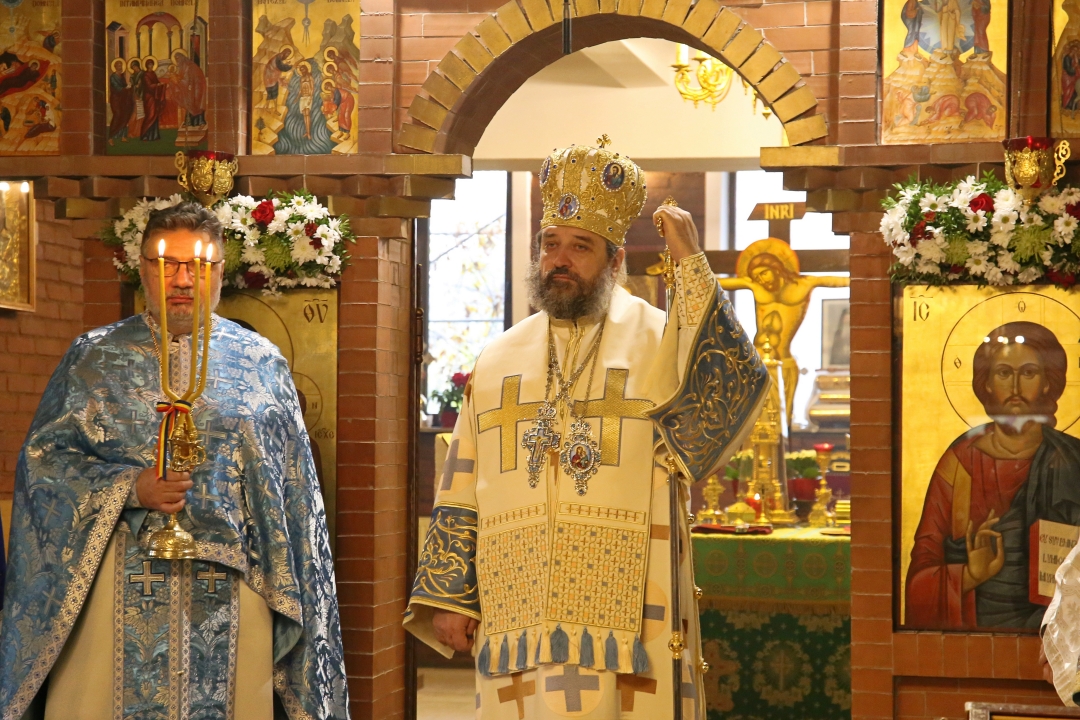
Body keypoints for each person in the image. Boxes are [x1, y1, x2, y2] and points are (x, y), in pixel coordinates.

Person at [404, 139, 768, 719]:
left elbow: (733, 390)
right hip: (516, 604)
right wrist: (451, 594)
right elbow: (462, 481)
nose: (560, 260)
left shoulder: (660, 340)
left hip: (635, 609)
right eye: (551, 244)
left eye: (580, 246)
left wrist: (692, 265)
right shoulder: (498, 358)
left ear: (615, 261)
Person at [0, 202, 349, 719]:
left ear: (221, 271)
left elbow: (295, 490)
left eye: (199, 264)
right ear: (142, 268)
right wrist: (130, 487)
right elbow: (44, 463)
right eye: (167, 263)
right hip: (116, 578)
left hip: (233, 588)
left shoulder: (261, 363)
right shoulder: (93, 357)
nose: (183, 279)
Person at [906, 321, 1080, 630]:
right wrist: (971, 574)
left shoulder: (1072, 460)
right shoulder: (960, 464)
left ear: (1047, 382)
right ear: (986, 382)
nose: (1015, 389)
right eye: (1003, 373)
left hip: (1062, 629)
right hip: (977, 630)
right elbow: (921, 573)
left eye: (1028, 373)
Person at [718, 241, 849, 429]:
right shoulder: (755, 286)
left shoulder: (804, 284)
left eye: (764, 273)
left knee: (781, 420)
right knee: (754, 420)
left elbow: (835, 281)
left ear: (776, 268)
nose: (761, 280)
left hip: (784, 361)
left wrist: (867, 276)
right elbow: (719, 283)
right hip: (757, 361)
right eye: (757, 276)